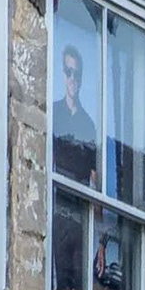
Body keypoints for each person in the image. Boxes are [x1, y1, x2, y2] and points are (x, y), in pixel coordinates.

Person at [51, 44, 98, 186]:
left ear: (81, 78)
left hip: (77, 196)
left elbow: (94, 175)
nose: (72, 78)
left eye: (76, 74)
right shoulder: (53, 113)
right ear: (63, 74)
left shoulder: (88, 125)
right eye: (68, 72)